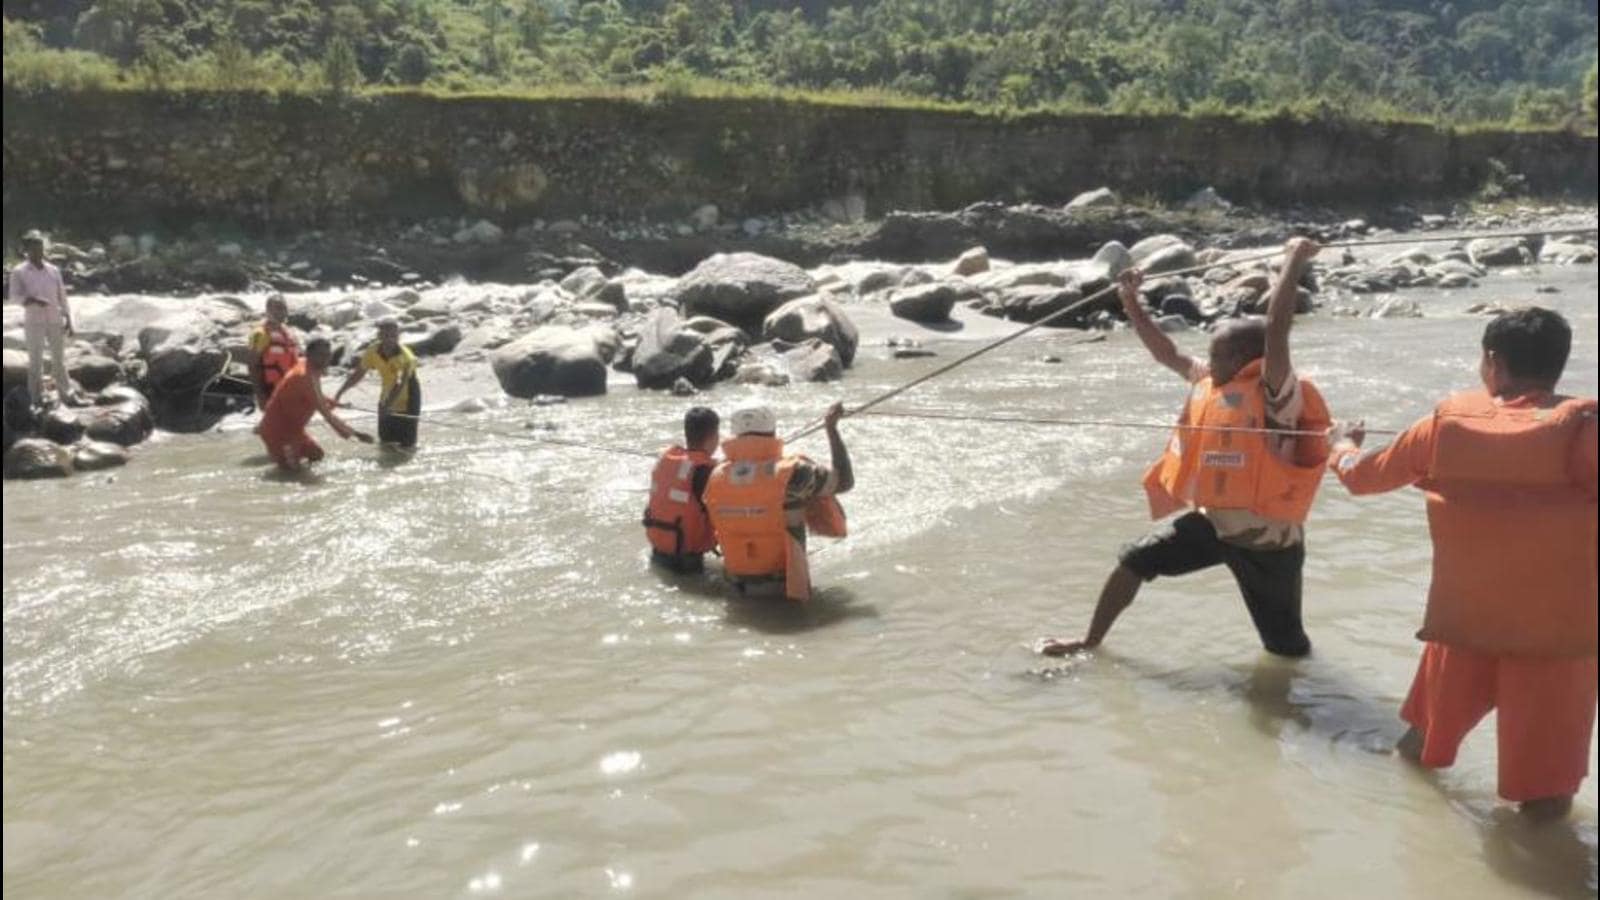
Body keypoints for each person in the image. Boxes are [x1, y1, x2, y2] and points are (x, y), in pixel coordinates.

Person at [1326, 307, 1596, 821]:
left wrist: (1339, 446)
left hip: (1465, 626)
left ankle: (1406, 827)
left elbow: (1360, 478)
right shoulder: (1585, 432)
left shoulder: (1444, 426)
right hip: (1556, 642)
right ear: (1559, 365)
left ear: (1491, 362)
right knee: (1545, 796)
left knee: (1418, 750)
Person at [1038, 237, 1331, 658]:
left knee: (1286, 650)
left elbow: (1277, 328)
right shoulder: (1211, 382)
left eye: (1219, 356)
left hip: (1268, 544)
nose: (1209, 363)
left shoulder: (1276, 394)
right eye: (1210, 356)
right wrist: (1130, 300)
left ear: (1251, 358)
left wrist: (1294, 260)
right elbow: (1167, 352)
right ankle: (1089, 642)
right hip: (1214, 526)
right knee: (1135, 558)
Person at [704, 402, 854, 602]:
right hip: (782, 591)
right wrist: (831, 428)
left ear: (735, 434)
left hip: (734, 588)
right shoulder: (795, 473)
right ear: (772, 431)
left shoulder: (716, 475)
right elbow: (844, 482)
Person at [258, 337, 372, 471]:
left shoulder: (309, 366)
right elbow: (326, 414)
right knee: (292, 473)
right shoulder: (304, 376)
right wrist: (356, 434)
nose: (326, 359)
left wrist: (335, 403)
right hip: (278, 432)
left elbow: (314, 395)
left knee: (317, 455)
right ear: (309, 355)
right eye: (320, 355)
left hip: (295, 429)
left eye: (328, 355)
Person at [643, 407, 722, 574]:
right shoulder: (704, 471)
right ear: (714, 437)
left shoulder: (667, 460)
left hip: (658, 552)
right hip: (687, 564)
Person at [9, 230, 80, 408]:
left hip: (55, 319)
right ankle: (36, 399)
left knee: (59, 360)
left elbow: (62, 295)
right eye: (34, 249)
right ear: (26, 251)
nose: (39, 252)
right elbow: (14, 297)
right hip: (34, 321)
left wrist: (69, 319)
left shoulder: (53, 270)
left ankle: (68, 395)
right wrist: (32, 300)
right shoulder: (19, 271)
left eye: (40, 248)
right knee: (35, 362)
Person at [332, 318, 421, 449]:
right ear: (379, 336)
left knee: (407, 444)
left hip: (408, 396)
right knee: (385, 441)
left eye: (393, 336)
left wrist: (388, 406)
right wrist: (339, 393)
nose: (390, 339)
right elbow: (358, 373)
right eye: (386, 335)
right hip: (387, 393)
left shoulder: (406, 356)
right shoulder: (372, 351)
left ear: (398, 336)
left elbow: (400, 383)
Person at [247, 294, 300, 412]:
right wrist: (260, 396)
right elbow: (253, 366)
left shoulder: (289, 333)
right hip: (271, 389)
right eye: (277, 308)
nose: (281, 312)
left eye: (283, 308)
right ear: (268, 310)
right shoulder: (260, 333)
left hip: (290, 389)